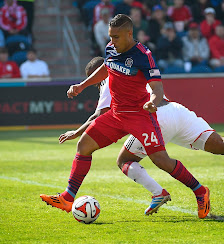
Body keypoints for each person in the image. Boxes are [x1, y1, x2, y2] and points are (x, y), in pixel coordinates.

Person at [60, 56, 224, 215]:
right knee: (220, 145)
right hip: (176, 111)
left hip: (155, 117)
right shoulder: (128, 68)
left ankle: (173, 192)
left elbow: (101, 113)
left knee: (125, 161)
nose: (95, 84)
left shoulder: (110, 77)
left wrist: (77, 132)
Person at [40, 14, 211, 219]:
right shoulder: (111, 48)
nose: (112, 41)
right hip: (116, 114)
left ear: (129, 34)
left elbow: (157, 88)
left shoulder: (143, 55)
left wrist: (153, 102)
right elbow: (106, 67)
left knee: (161, 160)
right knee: (84, 146)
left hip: (140, 116)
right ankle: (68, 197)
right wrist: (82, 85)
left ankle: (200, 191)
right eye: (110, 36)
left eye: (116, 37)